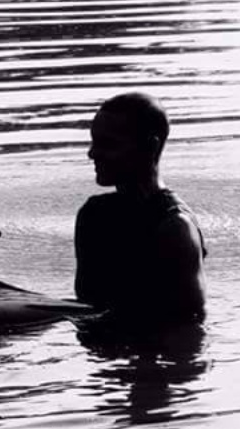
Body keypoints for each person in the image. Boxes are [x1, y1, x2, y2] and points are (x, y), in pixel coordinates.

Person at [74, 92, 207, 334]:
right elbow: (88, 307)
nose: (92, 154)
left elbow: (190, 326)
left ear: (150, 147)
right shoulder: (93, 216)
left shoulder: (175, 228)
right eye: (94, 142)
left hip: (151, 362)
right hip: (103, 359)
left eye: (109, 144)